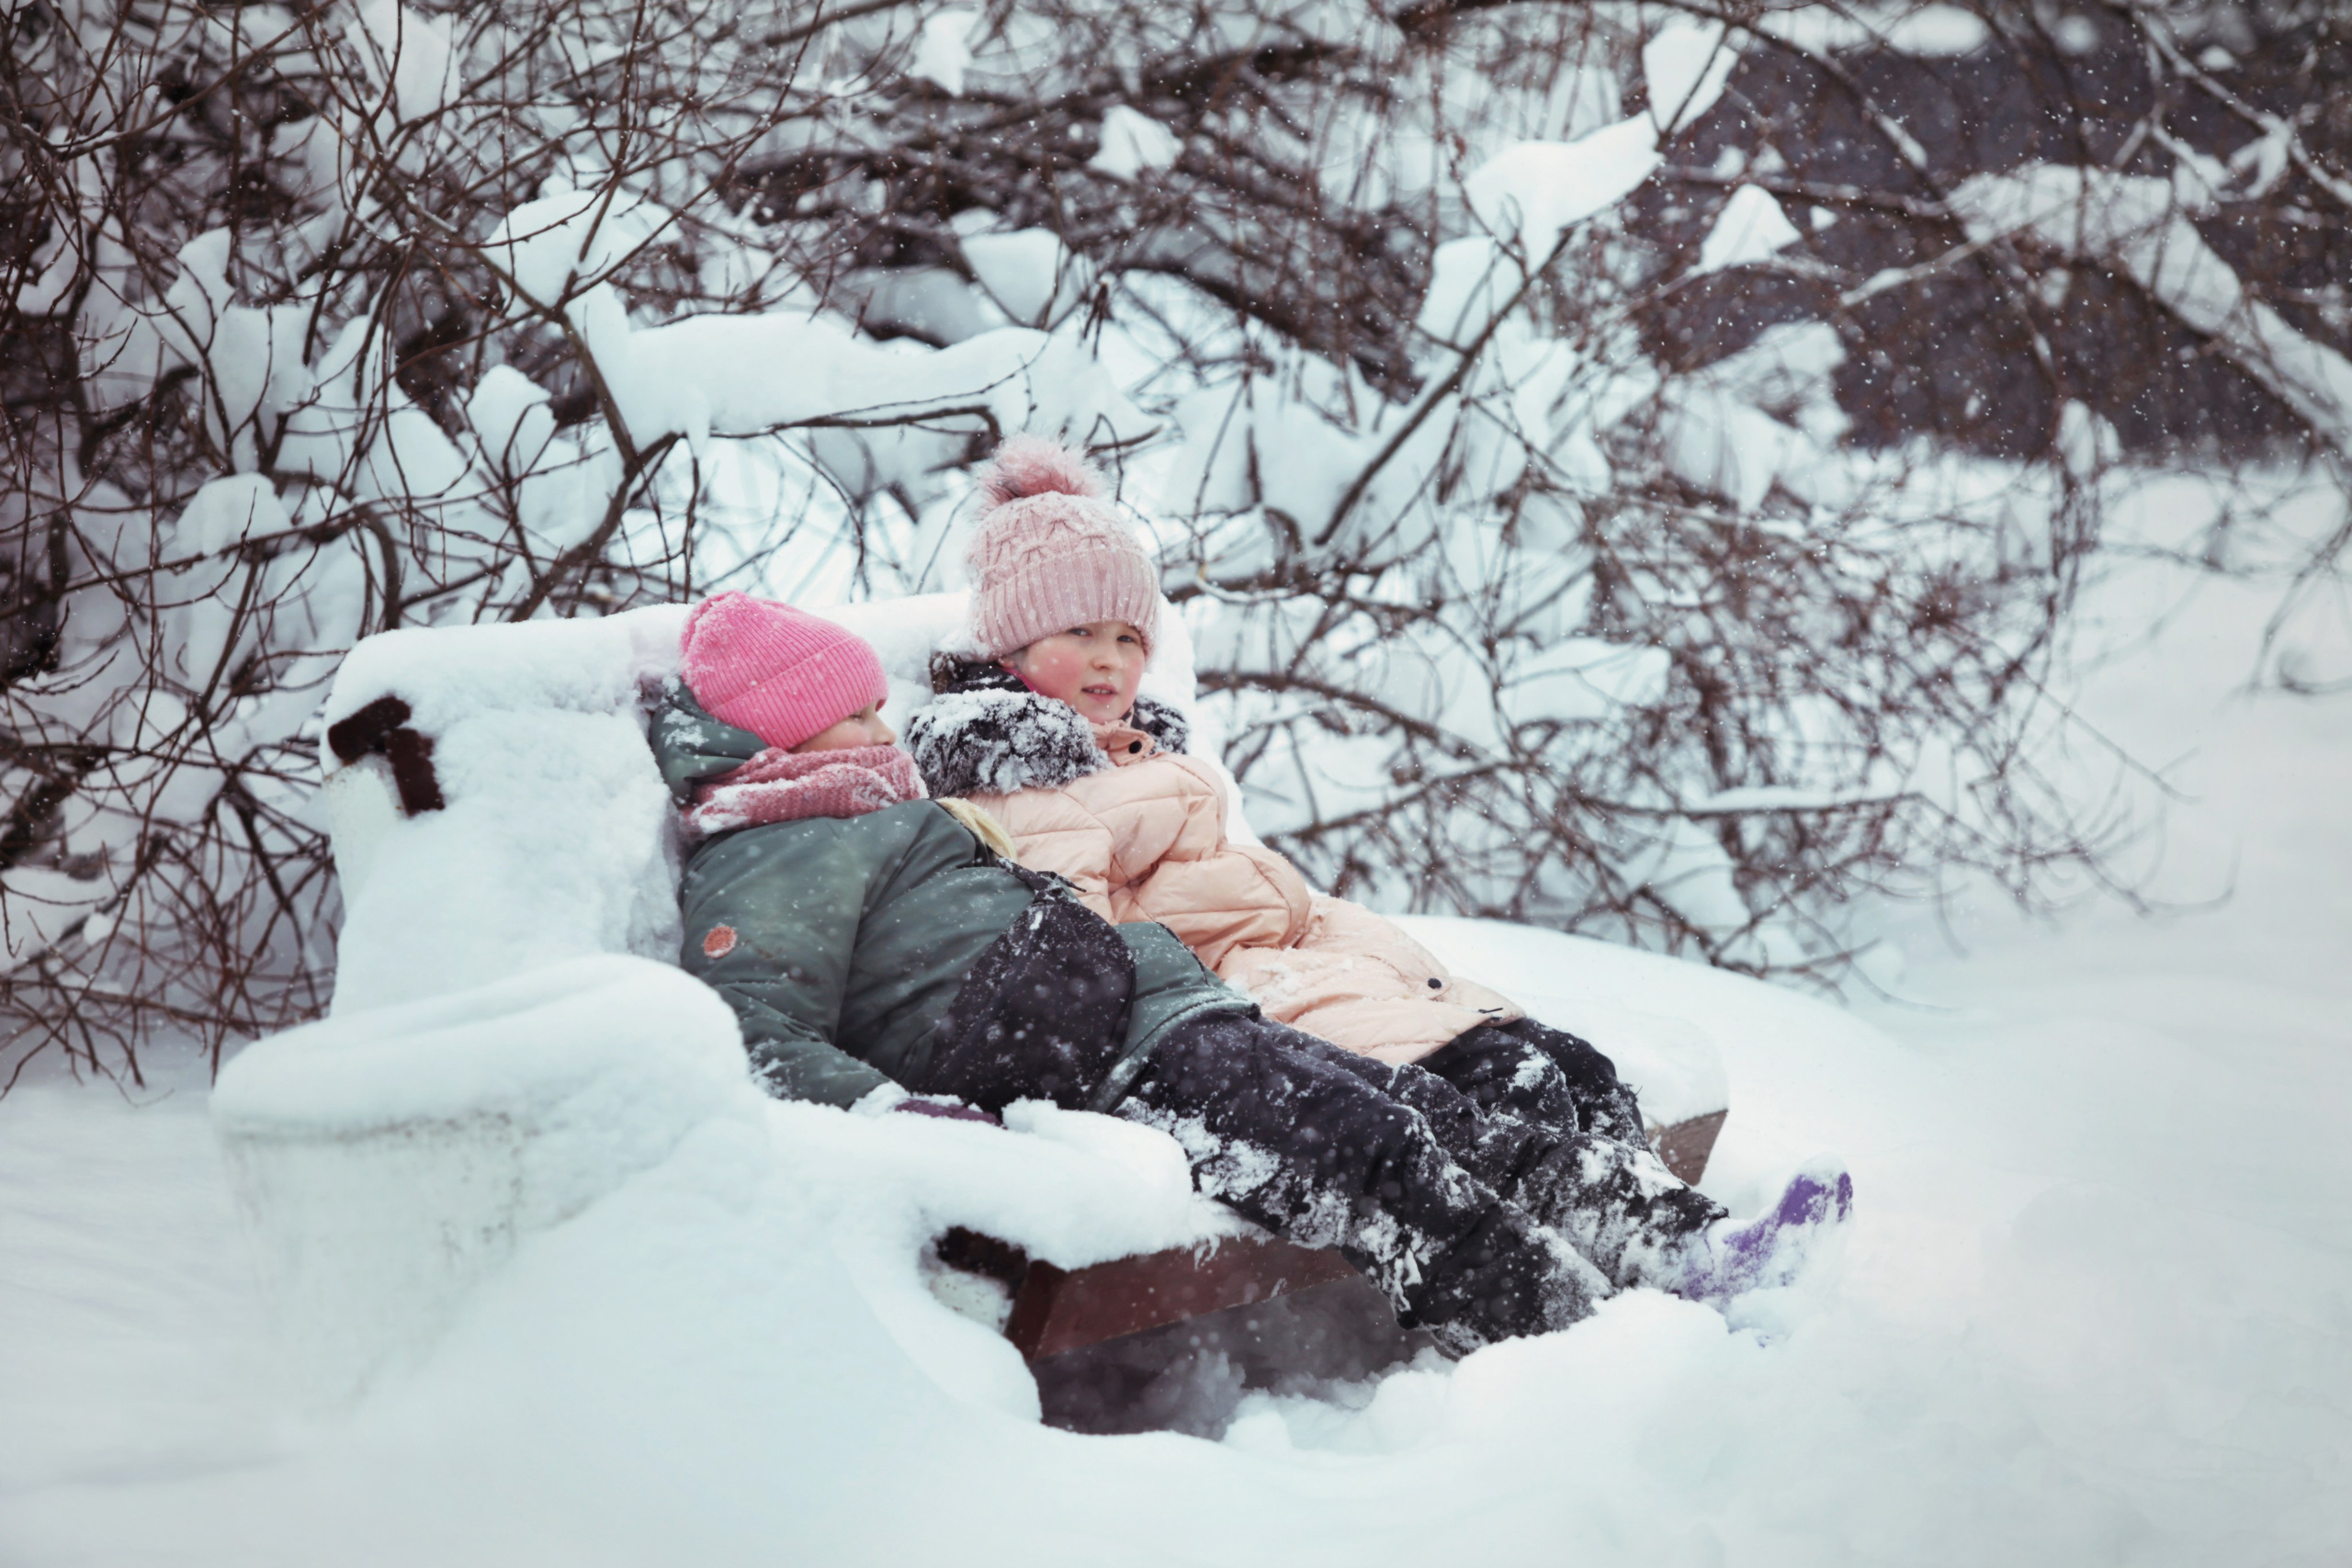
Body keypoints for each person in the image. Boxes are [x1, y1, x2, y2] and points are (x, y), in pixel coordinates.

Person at [660, 591, 1849, 1360]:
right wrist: (910, 1117)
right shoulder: (764, 854)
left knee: (1432, 1115)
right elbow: (755, 1033)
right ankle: (1588, 1339)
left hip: (1159, 1017)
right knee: (1375, 1160)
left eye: (879, 703)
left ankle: (1688, 1246)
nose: (885, 730)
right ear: (778, 736)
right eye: (854, 714)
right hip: (1100, 1073)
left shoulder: (880, 813)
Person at [904, 438, 1768, 1210]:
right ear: (1009, 649)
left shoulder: (1144, 759)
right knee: (1514, 1078)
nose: (1111, 657)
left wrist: (1386, 964)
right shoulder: (1020, 787)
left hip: (1301, 970)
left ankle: (1656, 1226)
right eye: (1077, 630)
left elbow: (1258, 894)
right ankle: (1637, 1245)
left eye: (1131, 637)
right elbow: (1083, 960)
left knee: (1570, 1065)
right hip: (1241, 1007)